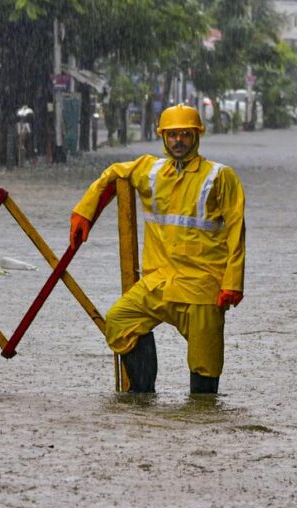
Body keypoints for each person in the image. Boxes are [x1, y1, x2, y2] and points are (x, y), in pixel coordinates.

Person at [69, 104, 246, 394]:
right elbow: (112, 174)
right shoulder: (150, 170)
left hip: (202, 288)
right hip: (158, 282)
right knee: (120, 321)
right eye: (172, 134)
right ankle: (142, 400)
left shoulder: (220, 176)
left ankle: (201, 419)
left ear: (197, 136)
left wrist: (233, 283)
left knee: (205, 366)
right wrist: (85, 212)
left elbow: (236, 231)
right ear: (163, 137)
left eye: (185, 135)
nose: (178, 141)